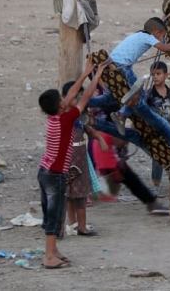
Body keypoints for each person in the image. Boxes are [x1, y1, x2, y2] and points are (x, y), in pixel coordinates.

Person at [37, 58, 104, 269]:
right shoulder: (67, 119)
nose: (66, 99)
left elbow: (74, 94)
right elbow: (83, 97)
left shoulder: (54, 119)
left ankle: (54, 250)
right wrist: (96, 76)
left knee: (52, 212)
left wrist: (85, 73)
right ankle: (49, 256)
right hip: (55, 174)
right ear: (60, 105)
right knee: (55, 215)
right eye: (62, 99)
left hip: (44, 171)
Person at [94, 17, 170, 156]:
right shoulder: (148, 37)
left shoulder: (138, 34)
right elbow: (164, 48)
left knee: (112, 97)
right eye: (163, 35)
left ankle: (90, 104)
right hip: (121, 67)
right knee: (141, 94)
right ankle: (121, 114)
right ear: (156, 32)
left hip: (114, 64)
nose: (163, 38)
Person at [61, 80, 107, 236]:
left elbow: (89, 130)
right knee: (69, 194)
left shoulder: (79, 117)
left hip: (80, 159)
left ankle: (80, 225)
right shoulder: (64, 116)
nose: (78, 100)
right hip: (70, 160)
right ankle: (74, 223)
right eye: (75, 97)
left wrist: (100, 140)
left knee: (80, 195)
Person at [92, 130, 169, 215]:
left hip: (102, 161)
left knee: (127, 183)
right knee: (134, 182)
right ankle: (153, 204)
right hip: (111, 161)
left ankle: (152, 203)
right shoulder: (112, 126)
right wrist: (128, 137)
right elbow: (119, 142)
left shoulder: (102, 125)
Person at [146, 61, 170, 193]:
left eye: (158, 74)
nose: (155, 77)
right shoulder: (149, 94)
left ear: (166, 75)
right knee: (158, 158)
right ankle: (156, 185)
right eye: (153, 74)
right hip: (155, 132)